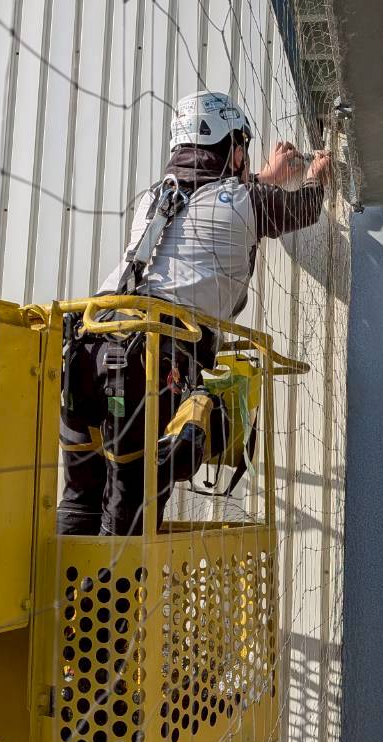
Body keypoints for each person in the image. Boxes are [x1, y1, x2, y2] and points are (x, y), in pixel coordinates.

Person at [58, 90, 331, 536]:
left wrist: (261, 176)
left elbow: (203, 203)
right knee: (130, 508)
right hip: (147, 360)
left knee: (80, 501)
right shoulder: (247, 200)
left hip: (84, 351)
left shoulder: (153, 198)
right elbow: (303, 207)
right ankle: (192, 429)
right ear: (236, 150)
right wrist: (318, 176)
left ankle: (67, 585)